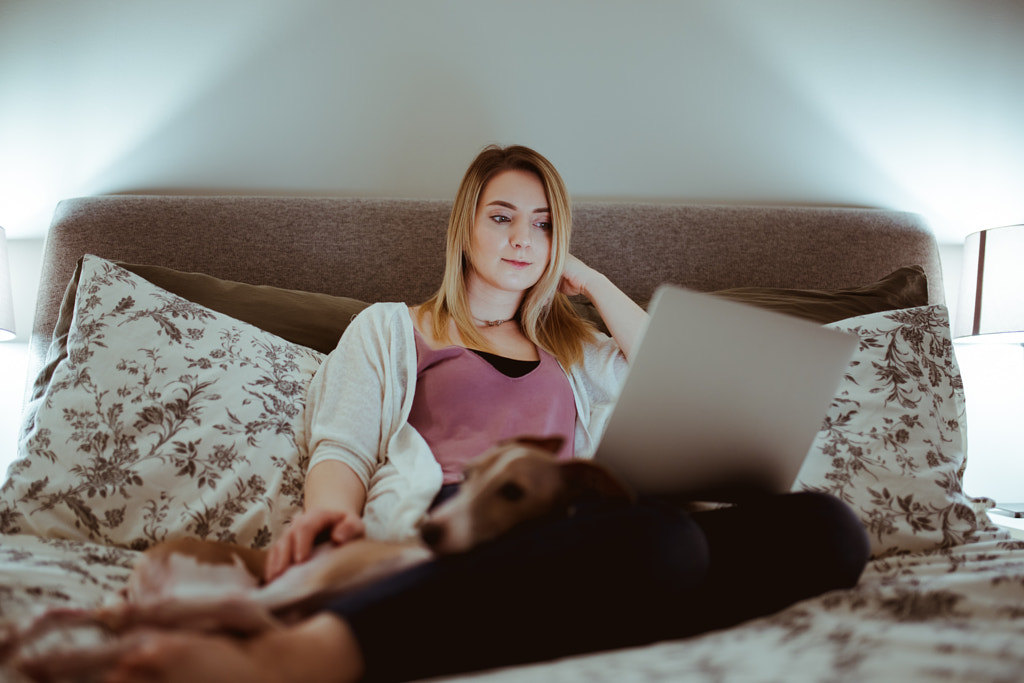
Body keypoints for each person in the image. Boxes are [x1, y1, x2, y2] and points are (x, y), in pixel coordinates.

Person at [93, 145, 870, 683]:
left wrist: (592, 281)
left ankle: (576, 599)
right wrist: (332, 521)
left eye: (541, 223)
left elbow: (683, 381)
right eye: (502, 216)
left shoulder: (575, 349)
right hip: (465, 525)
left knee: (828, 528)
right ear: (464, 225)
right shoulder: (392, 330)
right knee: (664, 543)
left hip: (587, 532)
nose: (522, 237)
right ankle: (312, 655)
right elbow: (344, 449)